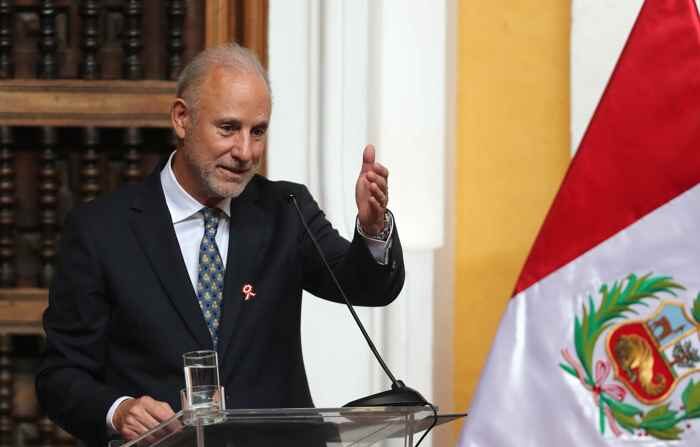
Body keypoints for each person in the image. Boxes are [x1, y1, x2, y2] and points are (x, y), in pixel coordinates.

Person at [35, 43, 404, 446]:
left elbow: (365, 287)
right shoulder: (101, 230)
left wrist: (372, 228)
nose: (245, 152)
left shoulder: (286, 210)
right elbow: (60, 376)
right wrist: (118, 410)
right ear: (182, 119)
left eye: (257, 131)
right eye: (228, 128)